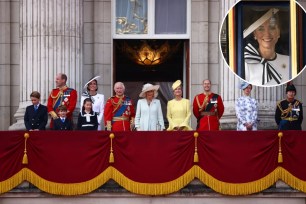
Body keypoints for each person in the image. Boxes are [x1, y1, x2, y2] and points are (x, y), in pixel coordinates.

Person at [243, 8, 289, 86]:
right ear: (254, 34)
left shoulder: (290, 61)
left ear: (278, 32)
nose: (267, 34)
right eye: (261, 29)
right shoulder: (246, 63)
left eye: (272, 28)